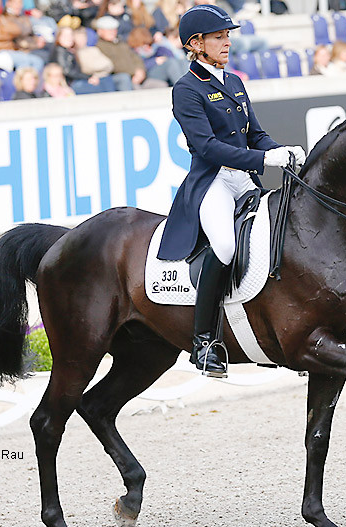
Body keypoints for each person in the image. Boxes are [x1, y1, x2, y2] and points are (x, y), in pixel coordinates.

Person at [156, 4, 305, 375]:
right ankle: (204, 341)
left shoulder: (234, 82)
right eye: (219, 37)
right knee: (225, 245)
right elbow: (205, 146)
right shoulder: (187, 89)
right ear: (196, 43)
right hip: (213, 180)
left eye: (227, 36)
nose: (227, 43)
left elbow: (254, 133)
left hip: (244, 178)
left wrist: (279, 150)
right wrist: (261, 160)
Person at [94, 15, 165, 88]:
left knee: (161, 85)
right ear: (100, 31)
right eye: (109, 30)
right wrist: (134, 72)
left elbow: (136, 58)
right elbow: (113, 66)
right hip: (119, 78)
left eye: (114, 29)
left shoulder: (122, 43)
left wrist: (140, 70)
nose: (112, 32)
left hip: (137, 76)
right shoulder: (99, 47)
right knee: (125, 79)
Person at [0, 0, 45, 73]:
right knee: (25, 62)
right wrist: (6, 33)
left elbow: (17, 30)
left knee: (38, 61)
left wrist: (3, 32)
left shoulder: (1, 18)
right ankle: (22, 82)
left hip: (10, 51)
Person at [50, 25, 115, 94]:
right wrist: (87, 77)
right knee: (99, 88)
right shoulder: (60, 51)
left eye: (70, 35)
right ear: (59, 37)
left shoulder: (69, 51)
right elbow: (67, 71)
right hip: (70, 84)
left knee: (106, 81)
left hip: (76, 81)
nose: (69, 38)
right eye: (65, 36)